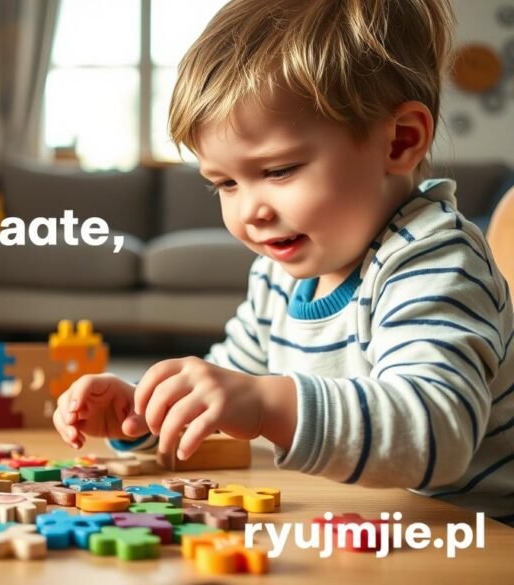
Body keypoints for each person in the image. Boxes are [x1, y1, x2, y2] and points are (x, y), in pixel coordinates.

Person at [53, 0, 514, 524]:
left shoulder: (435, 258)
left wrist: (267, 403)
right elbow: (230, 391)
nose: (251, 211)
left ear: (400, 140)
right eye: (224, 183)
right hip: (375, 521)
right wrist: (146, 414)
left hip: (478, 535)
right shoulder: (278, 274)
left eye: (278, 170)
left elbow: (435, 435)